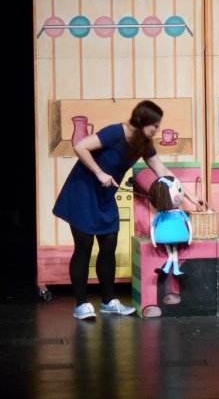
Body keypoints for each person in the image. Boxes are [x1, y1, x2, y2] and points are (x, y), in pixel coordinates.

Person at [52, 100, 200, 320]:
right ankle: (81, 305)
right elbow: (80, 146)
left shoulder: (143, 143)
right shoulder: (116, 132)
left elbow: (162, 170)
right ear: (142, 121)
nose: (157, 130)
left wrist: (189, 196)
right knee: (84, 247)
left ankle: (108, 302)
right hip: (83, 191)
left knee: (109, 245)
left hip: (105, 196)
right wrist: (100, 173)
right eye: (154, 125)